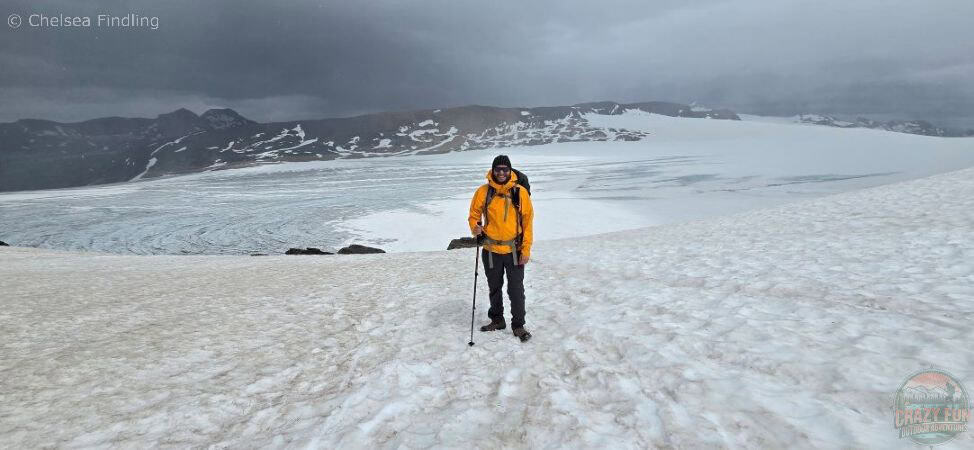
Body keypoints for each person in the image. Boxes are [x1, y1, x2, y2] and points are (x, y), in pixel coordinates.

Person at [468, 155, 534, 342]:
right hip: (490, 251)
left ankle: (518, 325)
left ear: (510, 170)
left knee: (516, 290)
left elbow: (527, 223)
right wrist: (475, 228)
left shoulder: (519, 192)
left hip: (514, 251)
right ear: (493, 170)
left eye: (505, 169)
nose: (502, 173)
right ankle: (497, 320)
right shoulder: (483, 191)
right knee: (494, 287)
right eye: (498, 169)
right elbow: (474, 215)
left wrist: (526, 249)